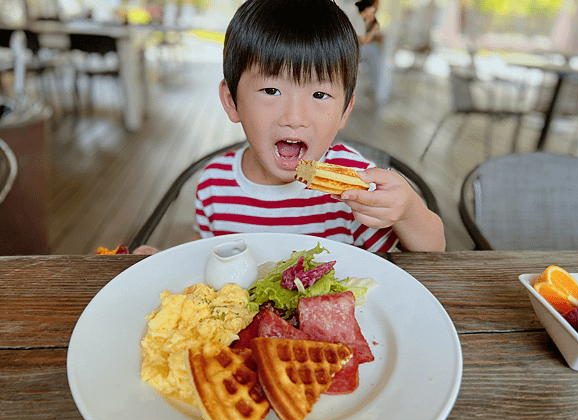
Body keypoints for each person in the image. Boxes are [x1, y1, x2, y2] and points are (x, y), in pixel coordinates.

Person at [135, 0, 445, 255]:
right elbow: (210, 251)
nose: (295, 117)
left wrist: (408, 213)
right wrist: (166, 259)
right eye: (271, 91)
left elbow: (432, 256)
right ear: (232, 102)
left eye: (319, 95)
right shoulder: (214, 184)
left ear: (344, 111)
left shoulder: (355, 187)